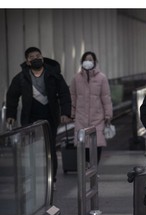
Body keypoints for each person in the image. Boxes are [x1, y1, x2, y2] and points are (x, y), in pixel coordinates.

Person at [6, 47, 71, 190]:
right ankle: (31, 178)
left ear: (42, 57)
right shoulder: (21, 78)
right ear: (27, 61)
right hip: (30, 118)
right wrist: (10, 115)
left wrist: (65, 113)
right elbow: (12, 97)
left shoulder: (54, 75)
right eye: (31, 57)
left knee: (50, 148)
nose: (35, 58)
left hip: (50, 117)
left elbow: (64, 93)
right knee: (30, 150)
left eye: (38, 55)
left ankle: (51, 179)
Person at [70, 51, 113, 165]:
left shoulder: (102, 78)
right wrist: (72, 113)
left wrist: (108, 115)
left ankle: (94, 167)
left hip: (97, 117)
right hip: (81, 117)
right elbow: (73, 96)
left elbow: (106, 98)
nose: (88, 62)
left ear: (95, 62)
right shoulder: (76, 79)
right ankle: (85, 167)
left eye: (90, 59)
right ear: (81, 62)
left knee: (97, 143)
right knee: (82, 144)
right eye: (86, 59)